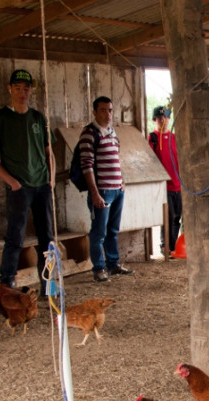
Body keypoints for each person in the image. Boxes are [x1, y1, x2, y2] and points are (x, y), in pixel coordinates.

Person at [0, 69, 55, 293]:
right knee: (15, 236)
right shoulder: (0, 119)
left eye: (26, 88)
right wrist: (12, 182)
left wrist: (51, 179)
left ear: (31, 90)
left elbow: (49, 152)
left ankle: (49, 283)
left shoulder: (38, 118)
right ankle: (7, 284)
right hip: (19, 187)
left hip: (42, 185)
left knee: (47, 236)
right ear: (9, 89)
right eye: (17, 88)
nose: (22, 92)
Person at [77, 96, 132, 282]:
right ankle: (99, 268)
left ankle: (113, 264)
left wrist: (122, 180)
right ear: (94, 112)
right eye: (103, 110)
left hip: (117, 188)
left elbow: (116, 159)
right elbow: (87, 165)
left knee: (113, 230)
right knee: (99, 232)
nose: (107, 114)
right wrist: (95, 192)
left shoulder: (112, 132)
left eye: (110, 110)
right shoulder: (89, 133)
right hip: (103, 190)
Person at [149, 106, 182, 253]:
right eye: (160, 118)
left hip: (178, 184)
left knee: (177, 217)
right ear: (154, 119)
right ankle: (165, 245)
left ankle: (173, 246)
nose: (163, 121)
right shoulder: (153, 138)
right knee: (167, 217)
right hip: (164, 185)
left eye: (166, 118)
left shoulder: (175, 138)